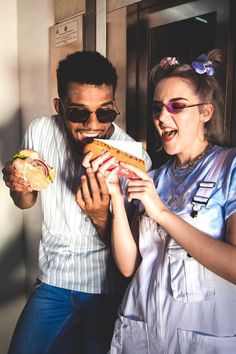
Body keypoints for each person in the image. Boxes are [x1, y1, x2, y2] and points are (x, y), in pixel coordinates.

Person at [2, 50, 151, 354]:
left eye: (105, 113)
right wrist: (18, 186)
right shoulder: (41, 131)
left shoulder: (134, 160)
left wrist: (100, 217)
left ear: (115, 106)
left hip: (107, 289)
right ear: (59, 108)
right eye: (79, 113)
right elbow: (26, 202)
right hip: (53, 281)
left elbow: (134, 257)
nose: (93, 125)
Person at [94, 49, 236, 353]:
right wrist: (116, 197)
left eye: (177, 106)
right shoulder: (152, 177)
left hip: (202, 335)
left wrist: (160, 212)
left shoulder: (229, 167)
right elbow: (128, 265)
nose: (162, 117)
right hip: (142, 329)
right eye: (158, 107)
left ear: (206, 112)